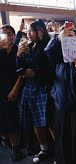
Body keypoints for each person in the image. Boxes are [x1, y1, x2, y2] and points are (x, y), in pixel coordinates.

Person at [45, 23, 76, 164]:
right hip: (61, 104)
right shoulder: (58, 58)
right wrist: (57, 38)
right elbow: (48, 52)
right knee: (62, 137)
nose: (73, 44)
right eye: (69, 39)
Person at [16, 19, 55, 163]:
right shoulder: (28, 46)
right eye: (28, 31)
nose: (28, 34)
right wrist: (18, 56)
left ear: (40, 31)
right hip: (29, 87)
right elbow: (20, 68)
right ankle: (43, 149)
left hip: (44, 88)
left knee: (48, 121)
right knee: (35, 121)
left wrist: (36, 72)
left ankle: (59, 151)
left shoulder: (48, 47)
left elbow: (50, 69)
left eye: (31, 31)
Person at [0, 25, 24, 161]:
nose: (7, 37)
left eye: (10, 34)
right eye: (3, 34)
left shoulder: (18, 50)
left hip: (14, 88)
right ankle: (6, 140)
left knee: (11, 119)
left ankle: (16, 148)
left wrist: (15, 89)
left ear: (14, 35)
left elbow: (21, 72)